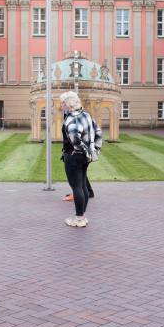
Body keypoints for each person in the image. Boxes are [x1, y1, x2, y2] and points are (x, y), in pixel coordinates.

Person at [60, 91, 102, 228]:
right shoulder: (87, 115)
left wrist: (82, 150)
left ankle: (79, 218)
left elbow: (74, 138)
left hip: (74, 156)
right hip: (85, 157)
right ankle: (82, 216)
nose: (61, 105)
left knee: (77, 187)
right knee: (83, 185)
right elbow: (98, 132)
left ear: (68, 104)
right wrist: (93, 150)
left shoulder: (72, 118)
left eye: (62, 102)